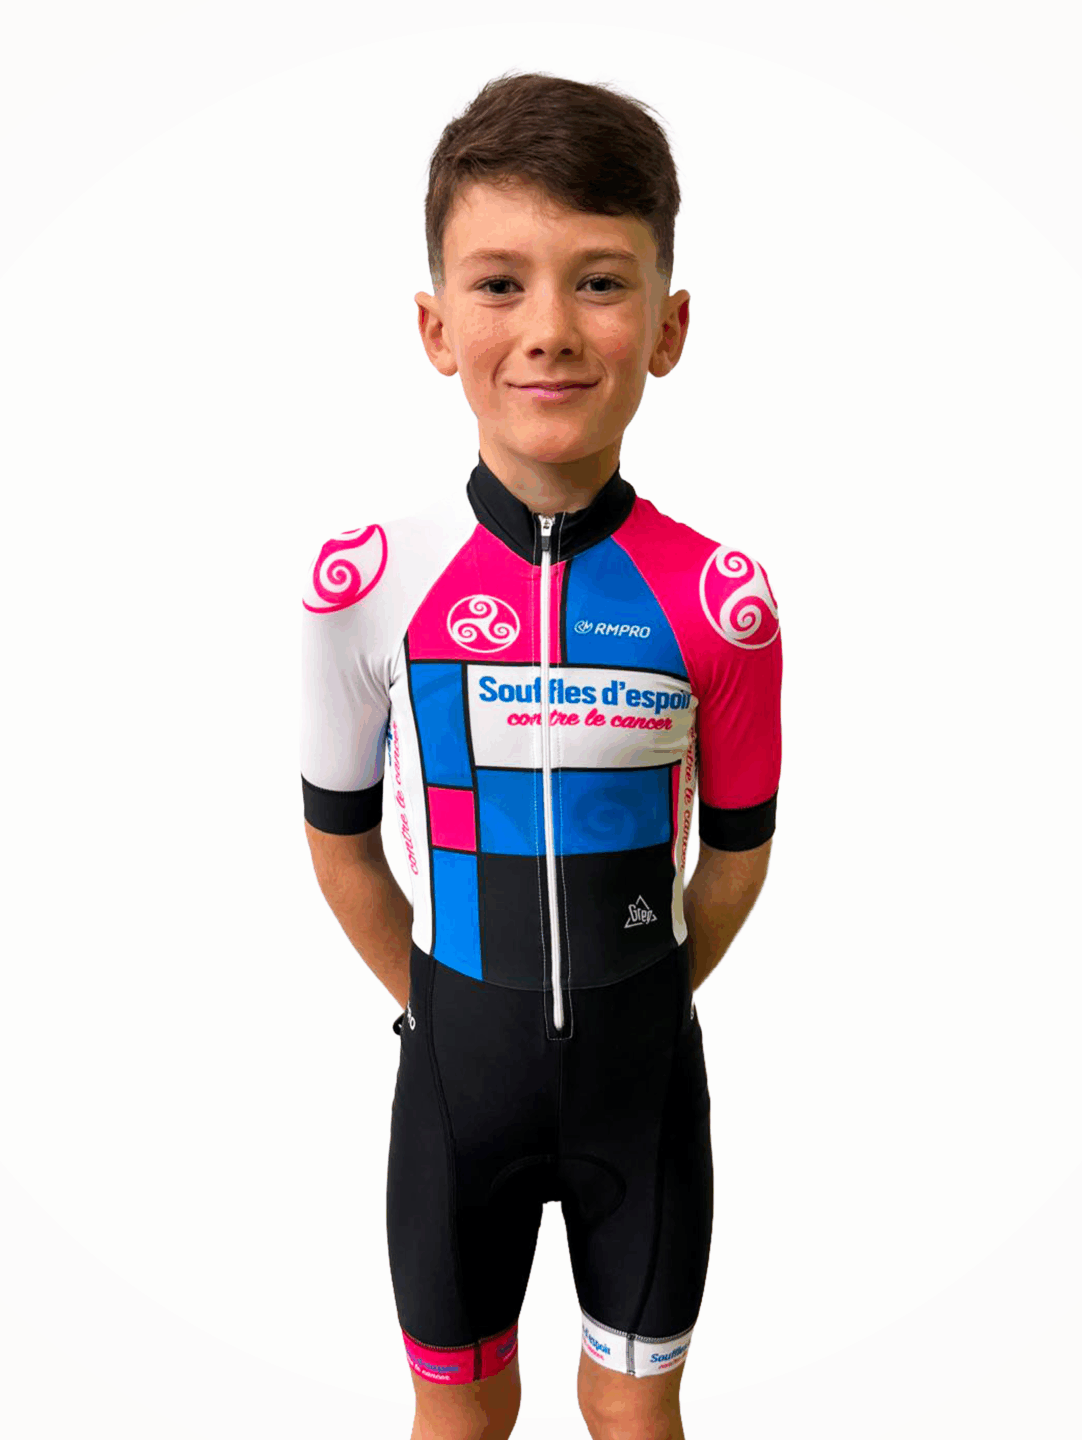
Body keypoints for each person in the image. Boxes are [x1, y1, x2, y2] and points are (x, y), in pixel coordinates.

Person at [298, 71, 781, 1440]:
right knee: (458, 1419)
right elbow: (341, 845)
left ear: (669, 327)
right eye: (501, 284)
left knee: (635, 1414)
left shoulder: (722, 601)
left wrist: (636, 996)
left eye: (601, 282)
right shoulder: (369, 587)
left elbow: (736, 858)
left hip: (646, 1097)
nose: (551, 330)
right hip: (457, 1095)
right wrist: (455, 1008)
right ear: (435, 326)